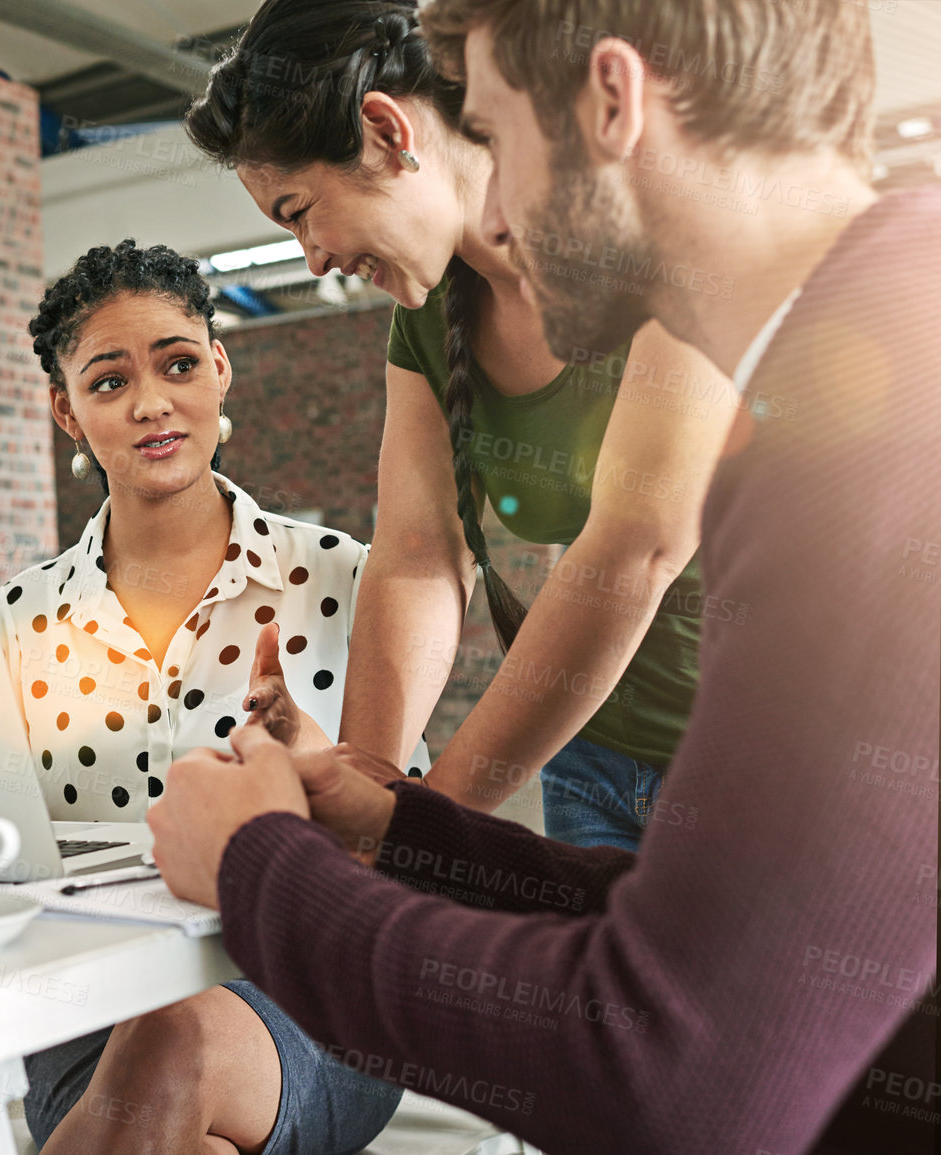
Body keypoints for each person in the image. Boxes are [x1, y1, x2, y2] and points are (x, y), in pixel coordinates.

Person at [148, 1, 938, 1153]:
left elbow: (667, 1078)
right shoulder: (867, 334)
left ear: (613, 105)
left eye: (501, 141)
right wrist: (404, 829)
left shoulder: (889, 436)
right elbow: (718, 962)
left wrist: (259, 870)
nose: (499, 213)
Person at [184, 0, 738, 851]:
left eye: (298, 211)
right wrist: (362, 780)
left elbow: (636, 548)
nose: (314, 259)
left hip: (752, 760)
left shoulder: (667, 241)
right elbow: (417, 553)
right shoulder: (431, 318)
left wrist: (418, 828)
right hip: (586, 754)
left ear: (384, 130)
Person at [0, 239, 403, 1154]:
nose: (151, 403)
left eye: (178, 364)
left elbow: (401, 834)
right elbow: (5, 850)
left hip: (315, 996)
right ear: (66, 411)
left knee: (175, 1037)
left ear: (218, 367)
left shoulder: (341, 576)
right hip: (88, 1015)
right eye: (107, 383)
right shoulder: (21, 614)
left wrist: (306, 783)